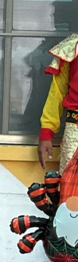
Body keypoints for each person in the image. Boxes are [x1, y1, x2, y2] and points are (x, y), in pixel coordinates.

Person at [39, 33, 78, 171]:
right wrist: (46, 132)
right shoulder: (72, 47)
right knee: (71, 183)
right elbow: (57, 93)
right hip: (75, 132)